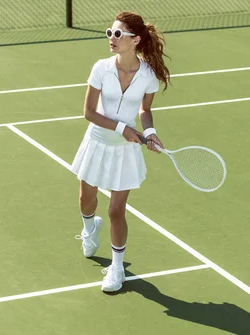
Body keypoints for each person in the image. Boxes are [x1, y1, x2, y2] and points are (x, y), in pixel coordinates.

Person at [71, 11, 171, 292]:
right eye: (110, 33)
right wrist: (122, 129)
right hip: (99, 141)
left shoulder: (148, 75)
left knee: (117, 211)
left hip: (124, 151)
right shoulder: (101, 68)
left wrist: (149, 132)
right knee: (86, 199)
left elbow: (145, 110)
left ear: (135, 40)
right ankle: (90, 229)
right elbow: (89, 112)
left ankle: (116, 269)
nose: (112, 39)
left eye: (118, 34)